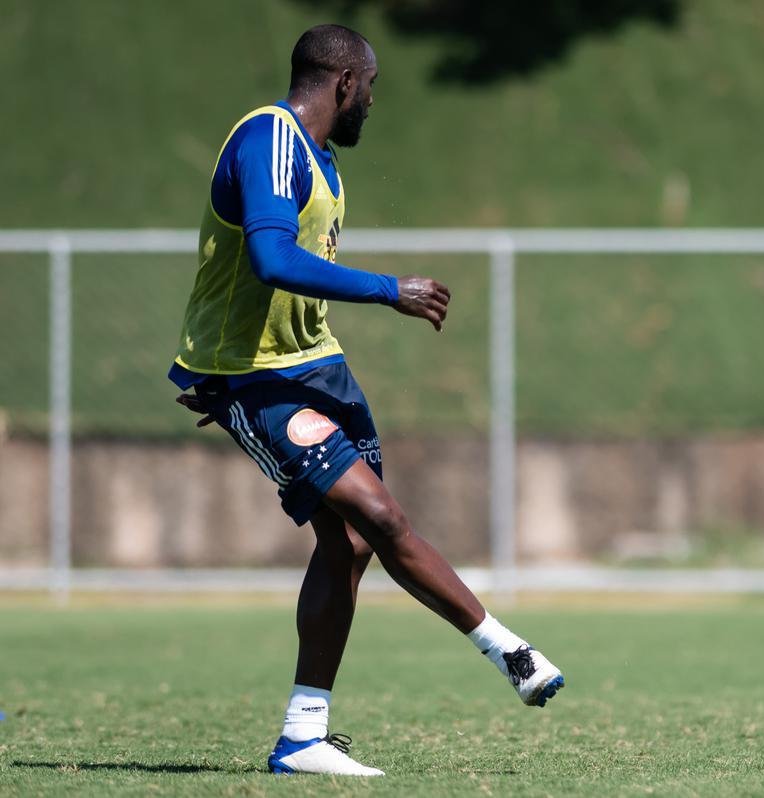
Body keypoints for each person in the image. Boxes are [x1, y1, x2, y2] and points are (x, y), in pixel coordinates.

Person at [169, 23, 563, 777]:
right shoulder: (270, 140)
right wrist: (390, 289)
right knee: (378, 516)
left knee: (350, 543)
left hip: (318, 367)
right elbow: (270, 257)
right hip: (255, 375)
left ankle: (303, 737)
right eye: (372, 87)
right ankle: (508, 650)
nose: (373, 103)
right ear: (345, 82)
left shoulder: (321, 160)